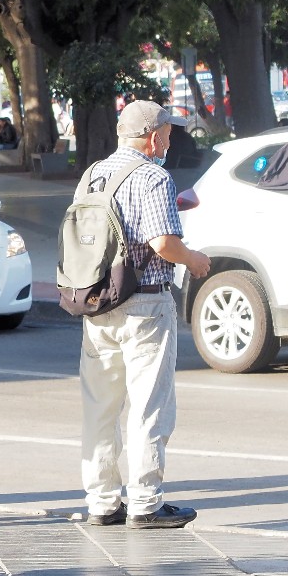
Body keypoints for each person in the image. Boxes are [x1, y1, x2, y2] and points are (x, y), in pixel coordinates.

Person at [79, 100, 211, 529]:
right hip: (145, 305)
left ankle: (101, 502)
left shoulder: (94, 174)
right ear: (153, 137)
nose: (169, 142)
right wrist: (193, 260)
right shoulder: (153, 175)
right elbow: (162, 243)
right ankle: (146, 502)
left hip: (97, 303)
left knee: (101, 407)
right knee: (149, 407)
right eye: (169, 135)